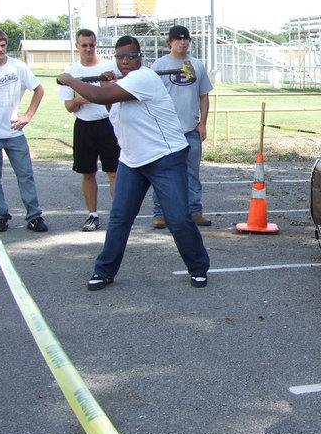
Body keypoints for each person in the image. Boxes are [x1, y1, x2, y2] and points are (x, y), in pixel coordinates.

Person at [57, 35, 210, 290]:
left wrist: (70, 80)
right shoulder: (124, 84)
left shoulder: (144, 78)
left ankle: (198, 267)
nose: (125, 61)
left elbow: (97, 96)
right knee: (120, 217)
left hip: (165, 157)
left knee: (177, 218)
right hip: (132, 160)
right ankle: (104, 270)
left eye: (131, 56)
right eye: (120, 57)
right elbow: (111, 107)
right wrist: (109, 85)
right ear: (116, 59)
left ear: (140, 58)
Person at [0, 28, 47, 233]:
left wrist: (28, 115)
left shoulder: (18, 67)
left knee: (25, 175)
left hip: (14, 131)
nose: (0, 49)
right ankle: (0, 216)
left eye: (3, 45)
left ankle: (34, 216)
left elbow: (39, 89)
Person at [150, 25, 213, 228]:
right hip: (165, 130)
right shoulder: (159, 65)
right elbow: (150, 97)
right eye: (178, 39)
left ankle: (195, 211)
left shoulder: (197, 65)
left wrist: (203, 123)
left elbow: (204, 96)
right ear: (170, 42)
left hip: (191, 129)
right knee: (162, 173)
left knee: (192, 174)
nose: (182, 42)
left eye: (186, 39)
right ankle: (161, 213)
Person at [59, 29, 119, 231]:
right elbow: (68, 107)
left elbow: (119, 95)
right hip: (84, 126)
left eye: (91, 45)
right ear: (77, 46)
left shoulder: (109, 67)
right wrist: (81, 99)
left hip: (108, 124)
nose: (88, 49)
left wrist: (101, 94)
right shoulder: (70, 73)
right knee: (87, 173)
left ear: (96, 45)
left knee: (114, 172)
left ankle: (118, 216)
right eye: (84, 45)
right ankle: (92, 215)